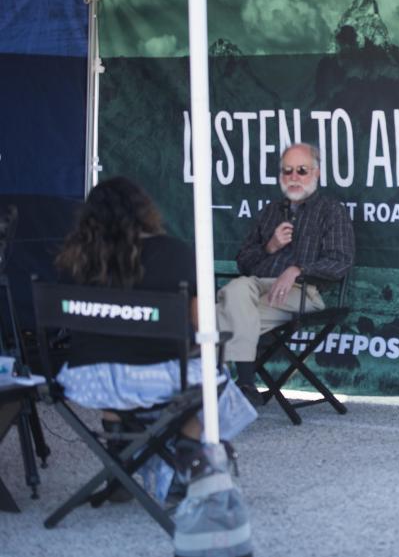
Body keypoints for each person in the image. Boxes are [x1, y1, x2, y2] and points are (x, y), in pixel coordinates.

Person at [54, 177, 255, 501]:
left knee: (115, 356)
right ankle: (188, 450)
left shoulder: (73, 259)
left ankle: (121, 467)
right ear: (144, 211)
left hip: (88, 379)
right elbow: (203, 326)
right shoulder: (174, 254)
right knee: (215, 378)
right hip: (158, 376)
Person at [217, 143, 354, 404]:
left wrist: (298, 270)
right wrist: (271, 246)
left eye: (302, 170)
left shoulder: (330, 210)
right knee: (237, 290)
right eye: (287, 171)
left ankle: (228, 386)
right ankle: (244, 386)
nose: (293, 177)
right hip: (255, 288)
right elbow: (243, 262)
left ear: (316, 173)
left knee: (213, 320)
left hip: (301, 293)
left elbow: (340, 261)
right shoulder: (270, 211)